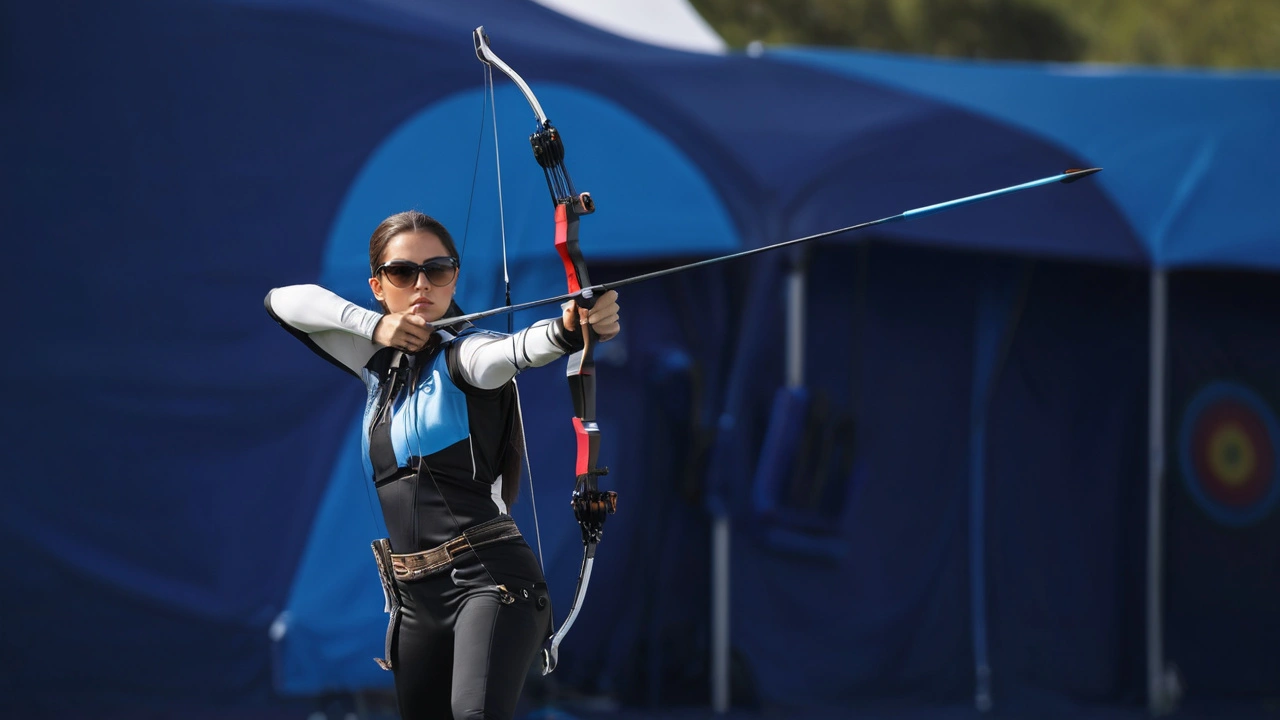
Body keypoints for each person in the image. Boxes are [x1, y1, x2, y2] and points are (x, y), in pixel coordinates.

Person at [264, 210, 621, 720]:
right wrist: (376, 327)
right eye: (402, 273)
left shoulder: (467, 354)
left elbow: (514, 351)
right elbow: (281, 301)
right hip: (414, 599)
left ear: (455, 276)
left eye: (438, 269)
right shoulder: (375, 363)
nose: (421, 285)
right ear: (377, 286)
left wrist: (568, 330)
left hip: (492, 582)